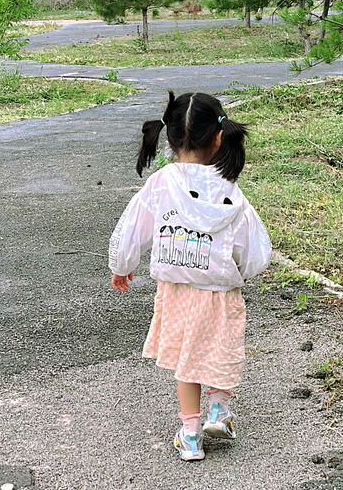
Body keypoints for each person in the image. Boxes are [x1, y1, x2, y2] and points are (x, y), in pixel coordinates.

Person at [108, 90, 272, 462]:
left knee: (187, 361)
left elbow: (133, 227)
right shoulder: (231, 192)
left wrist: (122, 266)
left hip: (177, 289)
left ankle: (190, 434)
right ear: (219, 137)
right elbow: (255, 251)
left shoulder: (162, 183)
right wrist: (238, 272)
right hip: (220, 291)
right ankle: (218, 410)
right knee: (217, 350)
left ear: (169, 139)